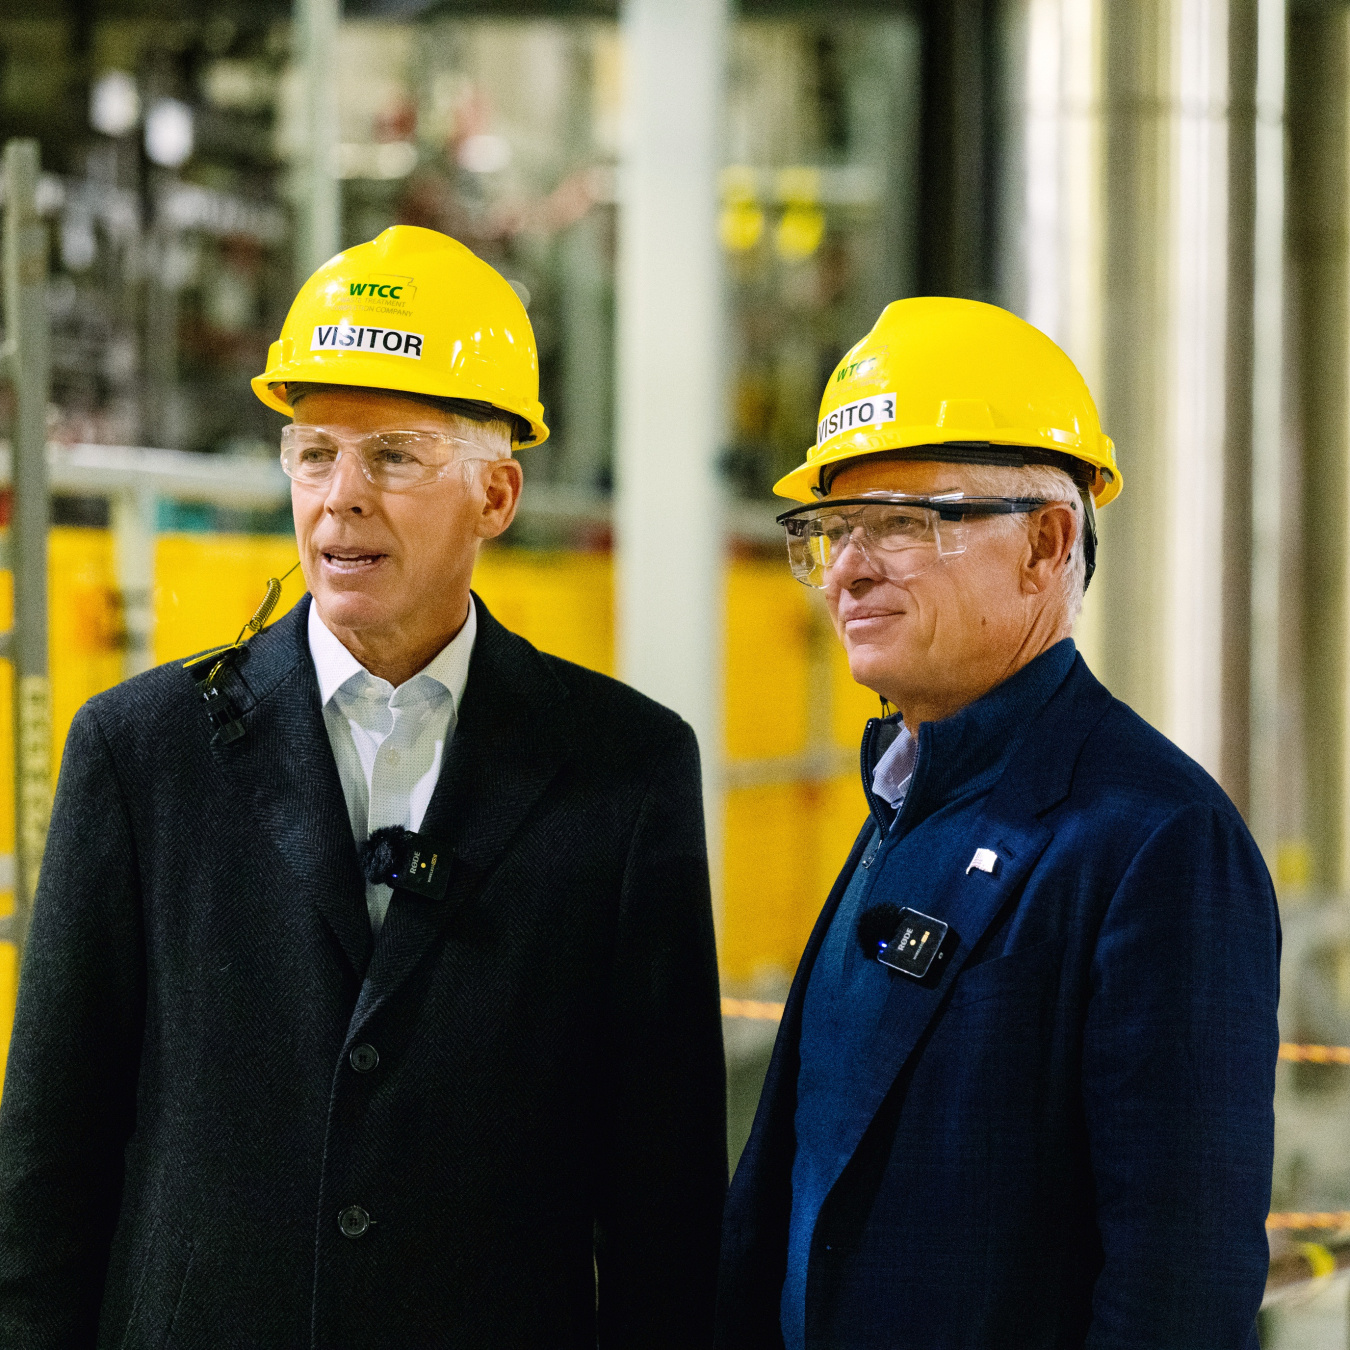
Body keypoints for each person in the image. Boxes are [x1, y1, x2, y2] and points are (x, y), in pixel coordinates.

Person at [0, 225, 726, 1348]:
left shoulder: (623, 773)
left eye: (392, 455)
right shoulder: (141, 754)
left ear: (497, 494)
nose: (341, 498)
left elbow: (661, 1197)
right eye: (313, 453)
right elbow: (49, 1162)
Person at [716, 297, 1278, 1350]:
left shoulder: (1153, 842)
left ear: (1046, 543)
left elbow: (1178, 1284)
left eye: (900, 524)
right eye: (833, 529)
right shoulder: (904, 796)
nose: (847, 569)